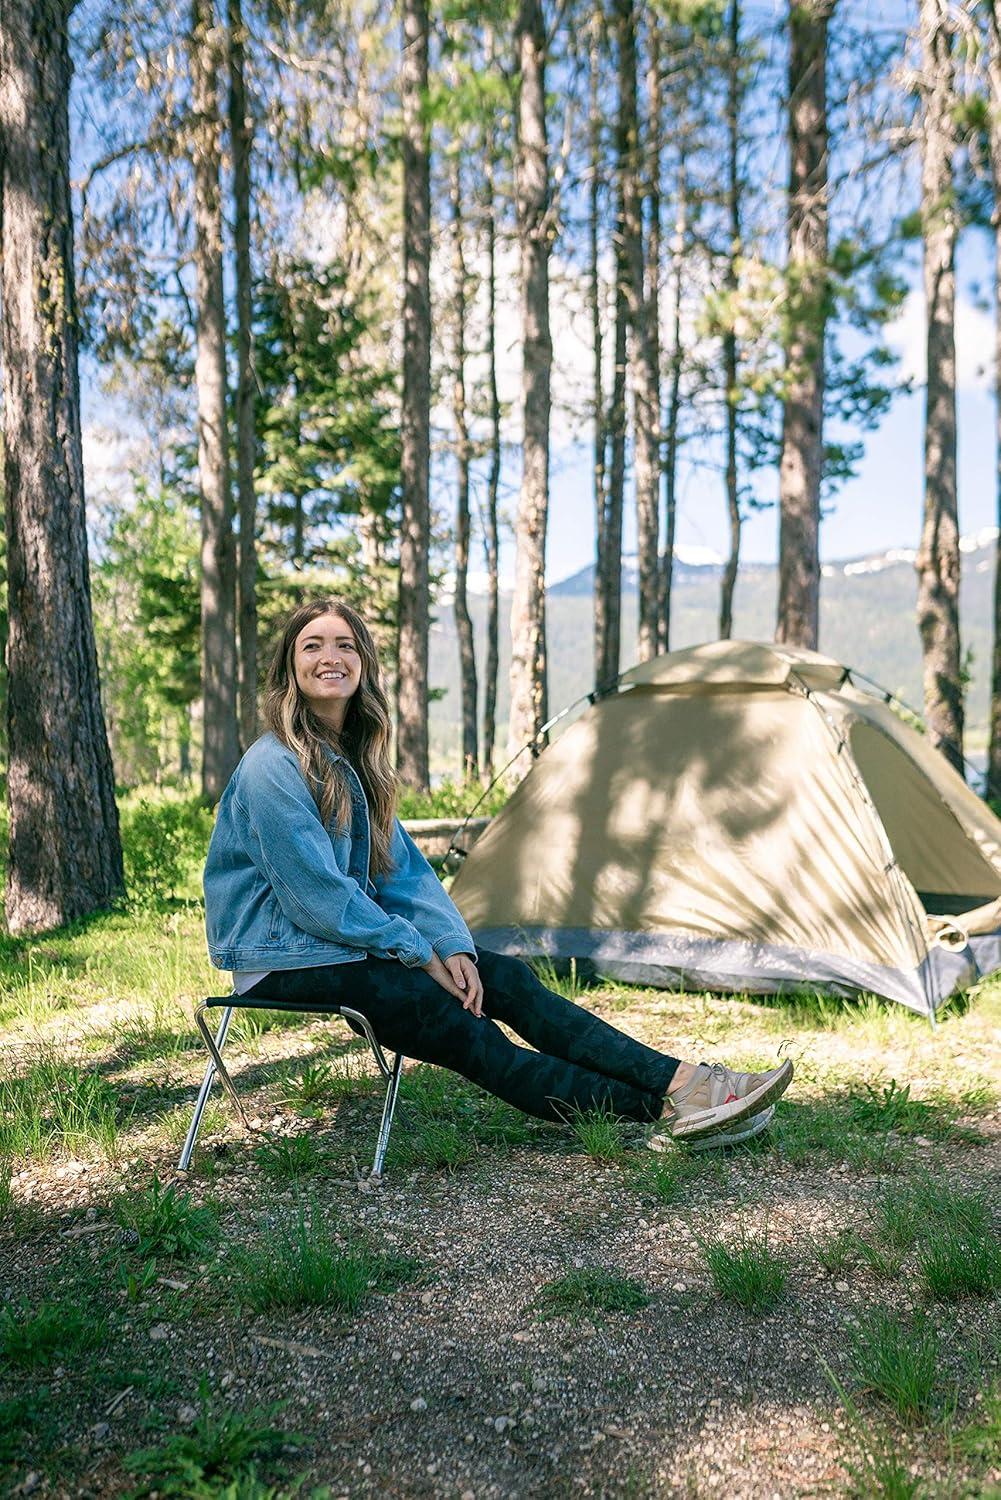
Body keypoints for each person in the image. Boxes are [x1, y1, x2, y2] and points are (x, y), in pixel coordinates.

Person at [203, 598, 793, 1150]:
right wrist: (416, 951)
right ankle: (665, 1109)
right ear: (291, 667)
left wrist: (452, 945)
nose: (330, 657)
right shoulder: (272, 767)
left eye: (345, 645)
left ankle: (685, 1081)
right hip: (287, 961)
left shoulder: (356, 763)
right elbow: (318, 898)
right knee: (460, 1024)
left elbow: (406, 876)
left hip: (345, 949)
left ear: (363, 665)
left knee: (503, 977)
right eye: (312, 645)